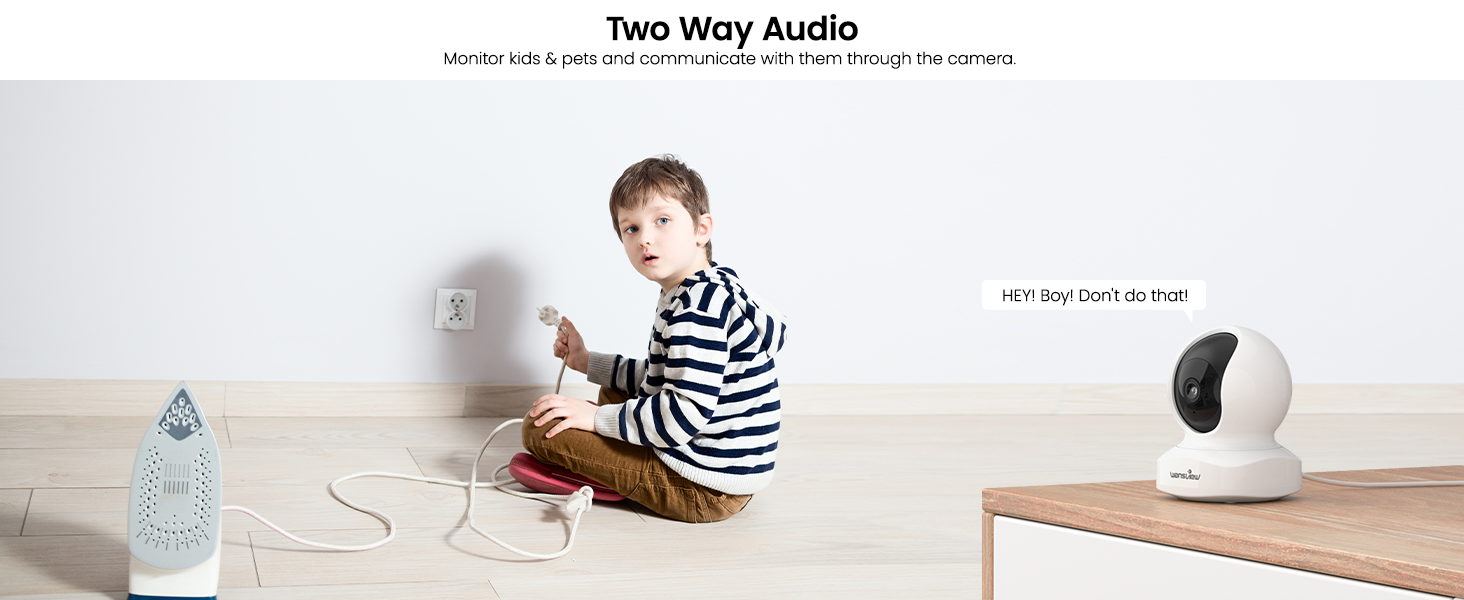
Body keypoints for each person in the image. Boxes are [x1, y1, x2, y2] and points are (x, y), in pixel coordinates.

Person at [522, 155, 787, 523]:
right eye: (630, 228)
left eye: (662, 220)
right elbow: (663, 377)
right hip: (724, 468)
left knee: (540, 429)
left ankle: (609, 474)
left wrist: (596, 419)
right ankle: (612, 450)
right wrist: (586, 361)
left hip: (705, 487)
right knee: (615, 394)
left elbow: (681, 415)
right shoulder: (707, 286)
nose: (645, 237)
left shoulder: (696, 310)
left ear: (701, 229)